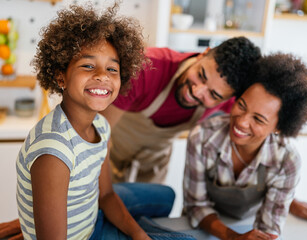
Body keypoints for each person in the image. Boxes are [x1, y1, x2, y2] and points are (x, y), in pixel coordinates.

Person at [100, 36, 307, 225]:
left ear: (228, 98)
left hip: (155, 154)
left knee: (148, 216)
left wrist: (287, 200)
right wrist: (106, 195)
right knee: (105, 210)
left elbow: (255, 144)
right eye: (201, 75)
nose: (198, 91)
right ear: (203, 54)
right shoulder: (148, 67)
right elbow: (99, 133)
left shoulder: (235, 107)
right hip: (110, 142)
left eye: (213, 95)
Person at [12, 3, 195, 240]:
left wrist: (141, 237)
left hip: (94, 218)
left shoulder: (100, 125)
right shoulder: (54, 152)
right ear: (61, 76)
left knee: (167, 196)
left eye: (112, 69)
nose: (102, 76)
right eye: (88, 66)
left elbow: (106, 195)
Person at [182, 53, 307, 239]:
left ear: (279, 127)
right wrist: (232, 237)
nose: (241, 122)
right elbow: (196, 205)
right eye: (241, 105)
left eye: (258, 119)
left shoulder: (286, 160)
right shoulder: (202, 137)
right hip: (202, 225)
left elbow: (269, 227)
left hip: (248, 224)